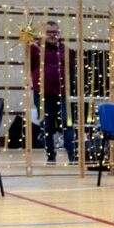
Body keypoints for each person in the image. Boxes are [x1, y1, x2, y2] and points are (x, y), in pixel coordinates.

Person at [29, 20, 78, 164]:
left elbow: (71, 70)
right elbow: (30, 67)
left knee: (67, 123)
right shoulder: (35, 48)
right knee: (46, 125)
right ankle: (50, 155)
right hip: (42, 93)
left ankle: (72, 154)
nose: (52, 35)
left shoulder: (66, 49)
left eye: (55, 32)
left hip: (62, 92)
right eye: (49, 32)